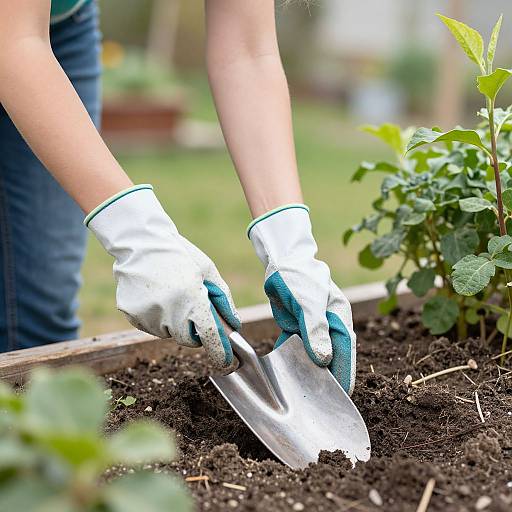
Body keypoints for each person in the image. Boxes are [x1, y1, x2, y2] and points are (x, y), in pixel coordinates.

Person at [0, 0, 356, 394]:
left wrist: (291, 247)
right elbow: (12, 40)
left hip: (57, 23)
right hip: (16, 34)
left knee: (38, 320)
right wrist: (138, 236)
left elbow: (247, 52)